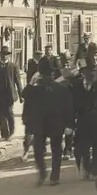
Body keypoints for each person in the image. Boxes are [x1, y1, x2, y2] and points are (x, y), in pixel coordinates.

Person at [22, 58, 74, 186]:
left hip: (47, 123)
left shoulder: (40, 89)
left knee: (43, 149)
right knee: (52, 149)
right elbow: (69, 108)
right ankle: (51, 175)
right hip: (50, 123)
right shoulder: (57, 88)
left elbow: (24, 94)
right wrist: (69, 124)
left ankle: (47, 173)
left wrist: (30, 83)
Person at [0, 46, 23, 140]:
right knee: (1, 114)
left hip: (9, 94)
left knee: (9, 112)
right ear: (0, 55)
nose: (4, 56)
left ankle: (11, 132)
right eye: (3, 55)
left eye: (6, 55)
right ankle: (4, 134)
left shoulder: (13, 66)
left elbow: (18, 81)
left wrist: (21, 95)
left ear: (9, 56)